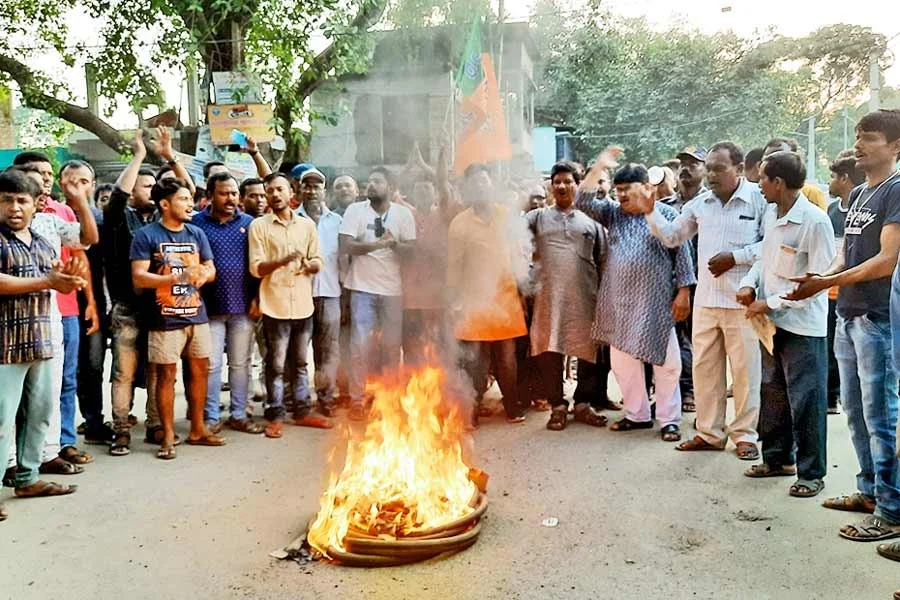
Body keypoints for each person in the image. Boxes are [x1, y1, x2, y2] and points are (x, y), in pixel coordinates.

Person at [785, 109, 900, 543]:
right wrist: (823, 281)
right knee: (854, 412)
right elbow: (847, 253)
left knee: (880, 415)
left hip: (878, 318)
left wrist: (829, 281)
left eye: (869, 137)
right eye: (858, 136)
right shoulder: (861, 195)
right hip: (850, 313)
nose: (859, 144)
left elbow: (887, 260)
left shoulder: (896, 190)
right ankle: (869, 491)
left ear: (896, 147)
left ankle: (891, 509)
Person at [641, 141, 768, 459]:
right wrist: (649, 209)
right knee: (705, 370)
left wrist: (736, 257)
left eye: (718, 168)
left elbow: (771, 246)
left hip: (744, 302)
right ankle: (709, 433)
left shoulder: (759, 200)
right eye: (708, 168)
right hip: (707, 301)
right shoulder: (700, 204)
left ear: (738, 169)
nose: (711, 174)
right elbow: (672, 237)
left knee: (744, 373)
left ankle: (745, 436)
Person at [737, 150, 835, 497]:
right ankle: (777, 459)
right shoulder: (770, 213)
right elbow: (764, 257)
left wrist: (771, 301)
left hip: (802, 326)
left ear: (778, 183)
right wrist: (749, 284)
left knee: (806, 400)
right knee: (773, 393)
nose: (758, 183)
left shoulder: (815, 221)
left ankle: (811, 473)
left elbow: (817, 283)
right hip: (771, 323)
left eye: (763, 178)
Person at [578, 159, 695, 441]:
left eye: (626, 189)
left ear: (645, 187)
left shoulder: (666, 213)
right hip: (620, 304)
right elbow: (582, 200)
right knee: (622, 363)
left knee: (667, 364)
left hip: (656, 302)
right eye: (617, 190)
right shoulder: (614, 215)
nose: (620, 196)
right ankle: (637, 415)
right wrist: (599, 166)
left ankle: (669, 420)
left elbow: (682, 254)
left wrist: (684, 291)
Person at [0, 169, 82, 517]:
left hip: (41, 341)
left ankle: (29, 476)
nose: (14, 208)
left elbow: (55, 277)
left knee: (39, 414)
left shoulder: (43, 241)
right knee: (2, 420)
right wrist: (47, 281)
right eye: (6, 200)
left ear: (37, 205)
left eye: (22, 201)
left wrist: (67, 280)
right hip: (4, 345)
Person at [12, 156, 100, 475]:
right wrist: (49, 280)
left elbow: (88, 240)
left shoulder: (49, 221)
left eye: (48, 176)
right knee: (8, 404)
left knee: (45, 396)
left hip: (48, 319)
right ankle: (12, 464)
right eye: (37, 176)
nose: (45, 182)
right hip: (9, 327)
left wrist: (80, 202)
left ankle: (42, 458)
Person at [131, 177, 224, 459]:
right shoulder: (146, 235)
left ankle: (197, 428)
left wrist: (204, 274)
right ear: (165, 204)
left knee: (199, 372)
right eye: (183, 199)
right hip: (164, 317)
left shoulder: (196, 233)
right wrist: (176, 277)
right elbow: (138, 277)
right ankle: (168, 435)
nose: (189, 205)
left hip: (197, 315)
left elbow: (211, 268)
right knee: (166, 376)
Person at [527, 161, 608, 431]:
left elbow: (603, 259)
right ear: (551, 186)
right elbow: (512, 237)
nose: (561, 186)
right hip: (548, 297)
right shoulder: (537, 217)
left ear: (578, 184)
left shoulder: (592, 219)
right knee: (549, 350)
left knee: (587, 349)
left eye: (567, 181)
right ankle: (558, 406)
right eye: (557, 181)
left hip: (585, 297)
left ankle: (583, 403)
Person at [447, 164, 529, 426]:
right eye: (475, 183)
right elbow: (454, 266)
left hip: (505, 299)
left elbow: (519, 257)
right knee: (476, 362)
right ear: (468, 189)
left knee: (507, 359)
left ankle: (512, 405)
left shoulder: (507, 216)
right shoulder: (459, 223)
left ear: (492, 185)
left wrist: (524, 293)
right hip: (474, 300)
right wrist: (454, 301)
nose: (480, 186)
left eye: (484, 182)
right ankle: (472, 408)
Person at [249, 172, 328, 437]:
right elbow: (256, 268)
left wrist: (309, 265)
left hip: (303, 304)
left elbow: (318, 260)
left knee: (302, 363)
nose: (274, 194)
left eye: (279, 189)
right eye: (269, 190)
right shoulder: (259, 226)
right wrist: (282, 261)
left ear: (291, 192)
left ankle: (303, 411)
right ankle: (276, 414)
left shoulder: (306, 226)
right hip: (275, 304)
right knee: (277, 364)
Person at [340, 167, 416, 421]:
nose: (370, 185)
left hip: (393, 291)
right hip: (362, 288)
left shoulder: (403, 214)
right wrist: (378, 244)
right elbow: (346, 245)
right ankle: (358, 399)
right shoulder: (355, 211)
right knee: (360, 346)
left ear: (391, 187)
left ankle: (391, 398)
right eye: (369, 181)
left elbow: (411, 252)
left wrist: (395, 244)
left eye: (377, 181)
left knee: (393, 347)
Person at [192, 173, 263, 435]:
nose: (231, 198)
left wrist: (257, 298)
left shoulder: (250, 223)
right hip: (208, 307)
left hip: (243, 306)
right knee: (211, 365)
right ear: (210, 195)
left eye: (234, 193)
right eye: (224, 193)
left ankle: (239, 413)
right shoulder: (196, 225)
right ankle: (210, 417)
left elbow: (257, 265)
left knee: (241, 363)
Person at [297, 167, 342, 416]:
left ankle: (326, 397)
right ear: (299, 189)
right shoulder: (293, 219)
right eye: (307, 185)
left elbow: (344, 262)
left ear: (325, 191)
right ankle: (300, 400)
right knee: (300, 352)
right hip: (299, 296)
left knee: (328, 352)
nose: (312, 190)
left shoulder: (337, 222)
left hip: (330, 294)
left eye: (317, 186)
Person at [826, 151, 865, 415]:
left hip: (854, 290)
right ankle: (831, 396)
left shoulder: (863, 207)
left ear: (844, 177)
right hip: (831, 288)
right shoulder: (831, 210)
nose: (830, 181)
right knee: (832, 347)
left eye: (833, 176)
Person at [762, 138, 828, 211]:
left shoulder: (812, 194)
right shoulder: (760, 194)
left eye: (782, 154)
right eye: (768, 156)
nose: (773, 160)